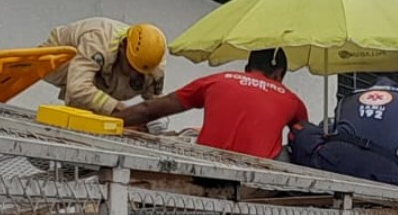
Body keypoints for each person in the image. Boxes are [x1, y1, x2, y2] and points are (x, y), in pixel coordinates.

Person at [115, 49, 307, 160]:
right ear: (279, 75)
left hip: (206, 173)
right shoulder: (292, 100)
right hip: (255, 184)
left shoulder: (218, 80)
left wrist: (108, 121)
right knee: (293, 148)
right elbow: (306, 144)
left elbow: (148, 110)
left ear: (247, 68)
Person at [42, 18, 167, 115]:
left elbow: (156, 100)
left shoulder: (155, 62)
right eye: (131, 67)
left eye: (140, 73)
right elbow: (77, 88)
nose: (134, 75)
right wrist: (119, 109)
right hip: (55, 57)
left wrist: (157, 117)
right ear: (122, 47)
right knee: (83, 93)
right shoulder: (98, 41)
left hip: (105, 67)